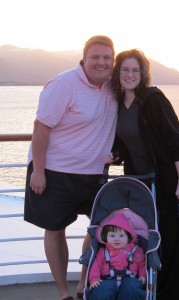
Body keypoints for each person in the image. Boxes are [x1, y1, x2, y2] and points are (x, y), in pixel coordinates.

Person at [24, 35, 118, 300]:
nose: (101, 63)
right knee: (55, 228)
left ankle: (84, 283)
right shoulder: (63, 84)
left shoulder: (115, 86)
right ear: (84, 58)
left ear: (113, 60)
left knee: (100, 228)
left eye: (107, 58)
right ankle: (64, 291)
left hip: (94, 172)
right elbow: (41, 127)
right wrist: (39, 171)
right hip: (56, 171)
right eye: (95, 57)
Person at [105, 49, 179, 300]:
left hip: (171, 185)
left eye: (135, 70)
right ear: (118, 72)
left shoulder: (153, 99)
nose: (130, 74)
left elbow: (176, 139)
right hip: (143, 187)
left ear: (143, 73)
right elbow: (129, 143)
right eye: (125, 69)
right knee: (151, 244)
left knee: (172, 247)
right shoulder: (119, 102)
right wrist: (115, 154)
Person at [89, 213, 146, 300]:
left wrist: (142, 275)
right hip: (107, 279)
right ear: (105, 237)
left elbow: (142, 264)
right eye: (112, 236)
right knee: (102, 290)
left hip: (130, 278)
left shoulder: (136, 251)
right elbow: (96, 266)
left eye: (121, 235)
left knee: (133, 288)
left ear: (128, 237)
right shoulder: (103, 252)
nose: (116, 239)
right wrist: (94, 278)